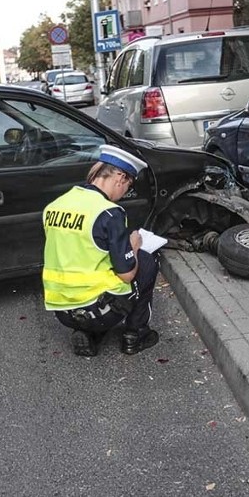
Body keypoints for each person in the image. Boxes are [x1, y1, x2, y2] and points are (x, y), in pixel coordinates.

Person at [42, 144, 160, 357]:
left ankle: (88, 333)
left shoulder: (55, 206)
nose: (125, 193)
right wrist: (133, 245)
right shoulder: (109, 212)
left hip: (61, 310)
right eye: (128, 186)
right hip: (99, 311)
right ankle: (136, 334)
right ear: (119, 177)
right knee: (148, 260)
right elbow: (127, 274)